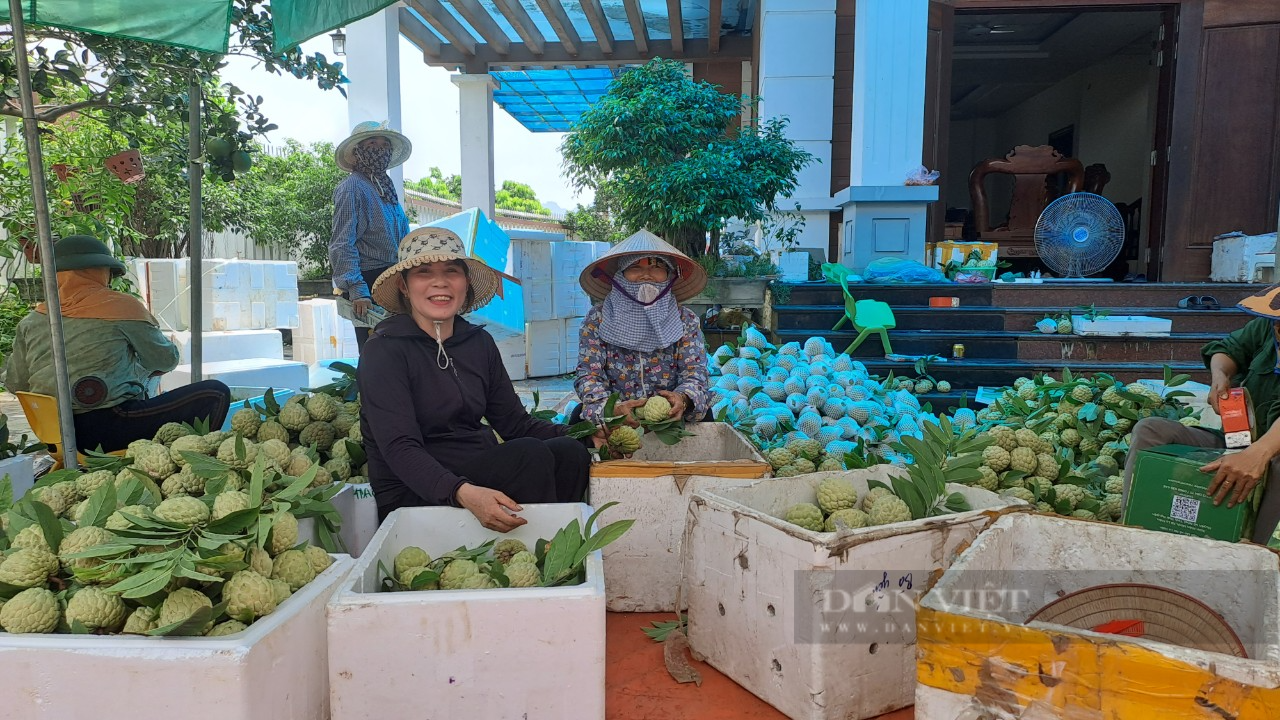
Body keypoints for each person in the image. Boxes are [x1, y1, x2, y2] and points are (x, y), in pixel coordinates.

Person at [357, 227, 592, 531]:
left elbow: (515, 424)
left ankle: (553, 542)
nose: (439, 282)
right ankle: (538, 550)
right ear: (404, 285)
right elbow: (400, 448)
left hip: (473, 468)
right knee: (528, 455)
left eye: (451, 271)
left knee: (569, 452)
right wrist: (462, 493)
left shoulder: (477, 344)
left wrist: (584, 434)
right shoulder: (384, 352)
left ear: (465, 283)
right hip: (414, 489)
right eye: (424, 272)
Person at [1, 235, 231, 452]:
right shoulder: (120, 307)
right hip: (106, 429)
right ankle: (190, 460)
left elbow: (16, 382)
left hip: (53, 436)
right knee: (215, 393)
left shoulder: (32, 320)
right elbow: (165, 360)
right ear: (100, 272)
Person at [1121, 285, 1280, 544]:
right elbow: (1227, 349)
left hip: (1273, 451)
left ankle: (1258, 555)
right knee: (1151, 430)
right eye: (1276, 322)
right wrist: (1220, 376)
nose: (1277, 328)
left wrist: (1258, 454)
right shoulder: (1267, 327)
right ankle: (1133, 529)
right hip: (1238, 440)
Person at [573, 229, 711, 431]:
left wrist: (682, 397)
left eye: (657, 267)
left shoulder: (685, 319)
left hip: (669, 415)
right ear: (620, 275)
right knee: (579, 416)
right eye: (634, 267)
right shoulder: (598, 318)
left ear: (669, 275)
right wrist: (611, 408)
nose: (646, 275)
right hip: (616, 415)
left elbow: (695, 372)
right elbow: (588, 375)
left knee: (705, 413)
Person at [328, 120, 413, 352]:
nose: (380, 148)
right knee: (377, 351)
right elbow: (342, 243)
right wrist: (357, 289)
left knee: (401, 350)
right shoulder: (352, 188)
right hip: (368, 280)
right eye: (372, 143)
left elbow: (402, 238)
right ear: (357, 153)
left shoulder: (385, 187)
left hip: (394, 277)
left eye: (385, 144)